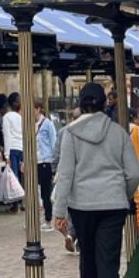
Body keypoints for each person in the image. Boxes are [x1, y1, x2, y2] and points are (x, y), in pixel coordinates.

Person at [53, 83, 139, 278]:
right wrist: (122, 193)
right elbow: (135, 172)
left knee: (88, 258)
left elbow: (65, 174)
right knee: (109, 261)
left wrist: (59, 212)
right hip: (114, 204)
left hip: (82, 206)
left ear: (80, 105)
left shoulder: (70, 133)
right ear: (104, 104)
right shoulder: (118, 132)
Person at [53, 107, 81, 254]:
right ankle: (76, 237)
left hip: (67, 174)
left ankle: (71, 234)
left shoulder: (64, 131)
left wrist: (55, 169)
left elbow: (57, 154)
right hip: (82, 178)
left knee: (71, 208)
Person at [34, 100, 57, 232]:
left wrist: (54, 161)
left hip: (45, 160)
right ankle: (35, 218)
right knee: (33, 191)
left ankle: (48, 219)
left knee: (45, 191)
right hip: (35, 160)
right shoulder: (30, 124)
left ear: (38, 109)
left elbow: (54, 142)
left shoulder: (47, 124)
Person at [3, 92, 24, 212]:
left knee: (14, 177)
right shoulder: (21, 117)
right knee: (23, 176)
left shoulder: (7, 117)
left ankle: (15, 203)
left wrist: (6, 155)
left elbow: (7, 136)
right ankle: (23, 202)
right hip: (22, 148)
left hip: (12, 149)